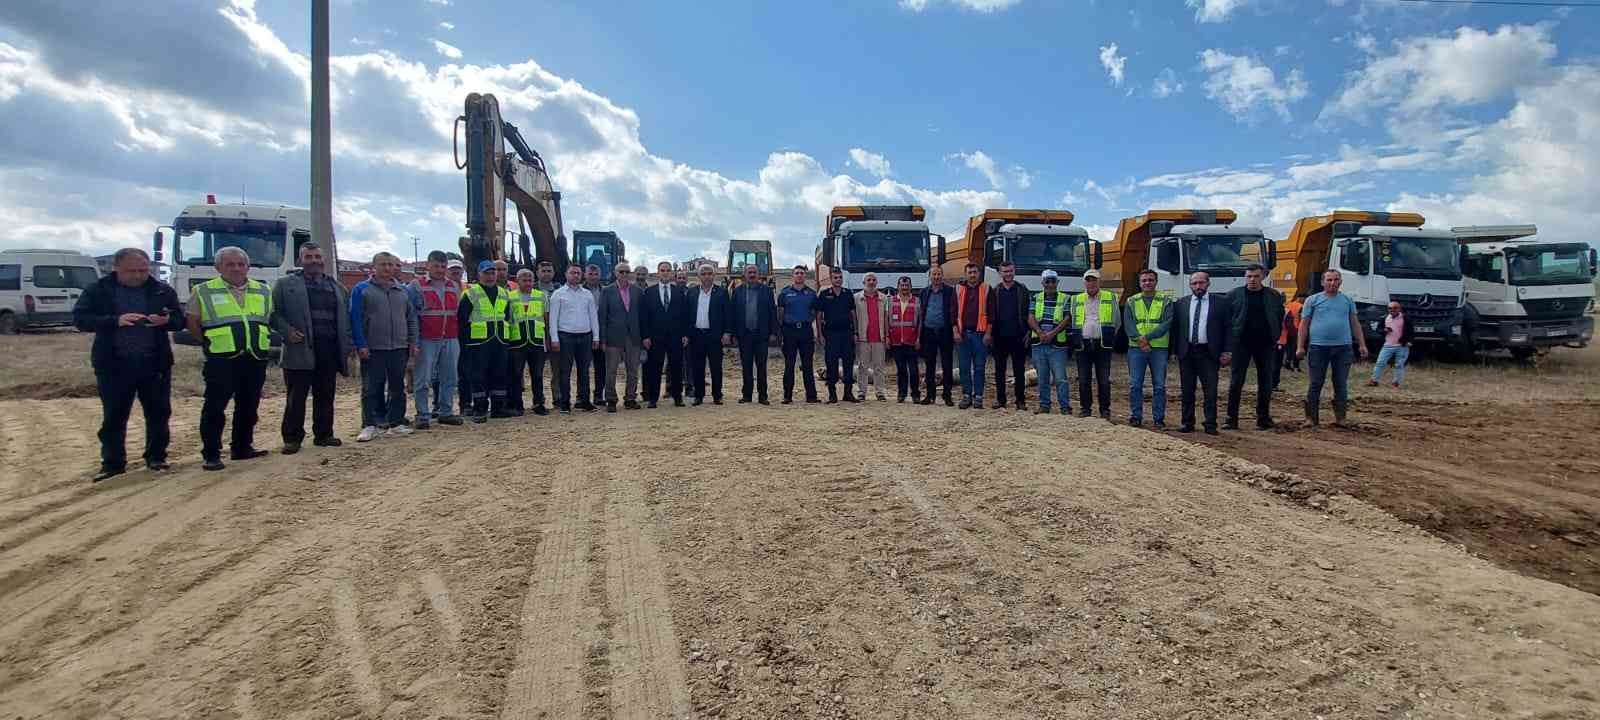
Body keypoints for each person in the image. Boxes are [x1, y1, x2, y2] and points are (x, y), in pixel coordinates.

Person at [73, 247, 184, 480]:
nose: (138, 275)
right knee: (114, 415)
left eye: (143, 270)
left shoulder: (162, 290)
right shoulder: (98, 290)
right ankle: (112, 463)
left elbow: (179, 320)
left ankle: (156, 457)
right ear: (116, 268)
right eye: (131, 271)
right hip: (114, 364)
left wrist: (165, 321)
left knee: (159, 413)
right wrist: (116, 321)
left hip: (155, 364)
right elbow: (80, 320)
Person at [186, 247, 272, 470]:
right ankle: (211, 454)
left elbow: (268, 319)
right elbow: (193, 321)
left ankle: (242, 448)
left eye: (240, 264)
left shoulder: (263, 290)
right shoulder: (203, 291)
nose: (236, 268)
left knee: (248, 406)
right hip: (221, 359)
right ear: (218, 268)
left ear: (247, 267)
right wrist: (210, 342)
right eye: (230, 264)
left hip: (254, 357)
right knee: (215, 407)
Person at [271, 243, 354, 454]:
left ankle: (324, 435)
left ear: (323, 260)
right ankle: (292, 439)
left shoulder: (337, 288)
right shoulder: (285, 285)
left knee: (325, 395)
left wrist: (347, 345)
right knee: (296, 397)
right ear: (300, 260)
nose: (314, 261)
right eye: (309, 257)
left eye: (317, 256)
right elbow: (273, 314)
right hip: (299, 349)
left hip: (329, 349)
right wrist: (287, 331)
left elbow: (345, 320)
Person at [351, 252, 419, 441]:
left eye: (391, 264)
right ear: (374, 267)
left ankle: (395, 423)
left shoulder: (402, 291)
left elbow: (411, 318)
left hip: (399, 347)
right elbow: (355, 319)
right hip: (373, 348)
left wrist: (413, 342)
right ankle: (369, 425)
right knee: (371, 388)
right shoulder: (361, 289)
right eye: (383, 264)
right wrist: (360, 344)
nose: (388, 268)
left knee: (397, 387)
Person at [1298, 269, 1369, 427]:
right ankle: (1311, 418)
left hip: (1343, 348)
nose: (1332, 283)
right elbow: (1304, 324)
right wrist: (1300, 347)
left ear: (1340, 282)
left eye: (1336, 280)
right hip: (1318, 348)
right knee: (1316, 383)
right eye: (1329, 280)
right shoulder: (1312, 300)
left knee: (1340, 383)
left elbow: (1355, 323)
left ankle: (1341, 418)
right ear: (1322, 282)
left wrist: (1362, 344)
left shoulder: (1347, 300)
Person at [1224, 263, 1284, 430]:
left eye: (1256, 276)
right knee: (1236, 382)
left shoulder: (1273, 295)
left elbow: (1279, 316)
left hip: (1265, 345)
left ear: (1263, 276)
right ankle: (1231, 418)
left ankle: (1263, 418)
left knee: (1266, 382)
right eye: (1249, 276)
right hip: (1241, 344)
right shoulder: (1234, 295)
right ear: (1245, 277)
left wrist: (1275, 336)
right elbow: (1227, 319)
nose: (1252, 279)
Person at [408, 251, 463, 430]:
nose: (440, 269)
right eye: (436, 266)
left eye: (443, 266)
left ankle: (446, 412)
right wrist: (414, 341)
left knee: (450, 377)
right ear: (428, 265)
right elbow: (411, 315)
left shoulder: (453, 286)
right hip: (427, 339)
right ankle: (422, 415)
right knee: (423, 379)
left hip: (450, 337)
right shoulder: (416, 286)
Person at [1171, 271, 1231, 435]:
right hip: (1187, 352)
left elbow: (1228, 328)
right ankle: (1187, 422)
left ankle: (1210, 424)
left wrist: (1227, 351)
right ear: (1190, 285)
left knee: (1210, 391)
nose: (1198, 286)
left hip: (1209, 353)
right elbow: (1176, 329)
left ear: (1208, 283)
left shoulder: (1221, 302)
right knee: (1187, 390)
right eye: (1194, 283)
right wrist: (1174, 350)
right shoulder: (1181, 303)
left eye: (1201, 283)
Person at [459, 260, 513, 422]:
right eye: (486, 273)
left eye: (492, 273)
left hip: (500, 340)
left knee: (499, 374)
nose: (490, 276)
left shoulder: (504, 293)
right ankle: (480, 409)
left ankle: (498, 408)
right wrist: (465, 343)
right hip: (478, 341)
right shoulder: (470, 293)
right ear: (479, 275)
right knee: (478, 375)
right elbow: (462, 320)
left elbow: (507, 316)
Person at [1123, 269, 1173, 428]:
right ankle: (1136, 416)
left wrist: (1146, 339)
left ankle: (1158, 419)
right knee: (1135, 385)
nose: (1147, 283)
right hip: (1136, 348)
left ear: (1156, 282)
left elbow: (1167, 323)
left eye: (1150, 280)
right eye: (1144, 280)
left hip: (1159, 348)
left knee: (1159, 385)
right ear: (1139, 283)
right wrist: (1140, 341)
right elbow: (1128, 324)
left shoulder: (1166, 300)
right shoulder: (1131, 301)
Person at [549, 264, 601, 413]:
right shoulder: (558, 294)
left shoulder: (587, 294)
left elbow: (593, 316)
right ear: (566, 274)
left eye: (578, 273)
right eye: (573, 272)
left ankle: (584, 401)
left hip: (585, 336)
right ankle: (565, 402)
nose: (576, 275)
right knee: (564, 371)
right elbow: (553, 318)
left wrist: (596, 337)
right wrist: (554, 338)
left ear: (582, 275)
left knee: (584, 371)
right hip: (565, 337)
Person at [642, 260, 691, 408]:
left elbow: (685, 315)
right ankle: (653, 398)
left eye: (668, 270)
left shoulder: (679, 291)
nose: (665, 273)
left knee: (676, 367)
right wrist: (645, 336)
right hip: (655, 337)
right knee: (654, 368)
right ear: (658, 273)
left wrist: (685, 334)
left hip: (675, 336)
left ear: (671, 273)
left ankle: (677, 397)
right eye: (662, 270)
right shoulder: (649, 292)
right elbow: (645, 317)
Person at [1072, 269, 1119, 419]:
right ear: (1084, 282)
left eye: (1094, 280)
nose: (1091, 283)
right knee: (1083, 379)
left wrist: (1109, 336)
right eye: (1088, 280)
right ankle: (1085, 409)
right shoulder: (1076, 299)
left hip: (1102, 344)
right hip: (1083, 344)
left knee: (1104, 380)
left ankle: (1105, 410)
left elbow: (1117, 321)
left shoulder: (1110, 297)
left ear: (1099, 282)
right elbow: (1072, 320)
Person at [598, 262, 645, 412]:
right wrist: (603, 340)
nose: (624, 274)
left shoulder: (637, 291)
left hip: (634, 337)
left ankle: (630, 398)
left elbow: (643, 316)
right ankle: (611, 400)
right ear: (615, 273)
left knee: (633, 370)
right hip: (613, 337)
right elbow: (602, 317)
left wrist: (644, 336)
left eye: (627, 272)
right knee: (611, 370)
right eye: (621, 272)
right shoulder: (607, 291)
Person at [1026, 269, 1073, 415]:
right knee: (1042, 378)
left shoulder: (1066, 298)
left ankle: (1065, 407)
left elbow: (1067, 318)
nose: (1050, 284)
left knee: (1060, 378)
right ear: (1043, 283)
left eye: (1053, 281)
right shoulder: (1036, 297)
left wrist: (1052, 333)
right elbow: (1030, 317)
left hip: (1057, 346)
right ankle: (1044, 406)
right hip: (1039, 344)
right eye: (1047, 281)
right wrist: (1040, 332)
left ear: (1057, 282)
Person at [505, 268, 550, 416]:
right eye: (524, 280)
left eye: (530, 280)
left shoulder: (541, 296)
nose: (528, 283)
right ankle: (517, 405)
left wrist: (547, 339)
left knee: (537, 375)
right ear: (517, 281)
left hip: (536, 341)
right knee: (516, 375)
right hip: (517, 342)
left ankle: (539, 403)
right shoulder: (509, 296)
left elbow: (546, 319)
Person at [730, 264, 777, 405]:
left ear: (759, 274)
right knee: (746, 366)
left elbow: (772, 312)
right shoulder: (737, 291)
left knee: (761, 366)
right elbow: (733, 314)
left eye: (754, 272)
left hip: (761, 335)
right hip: (744, 335)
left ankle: (763, 396)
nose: (752, 275)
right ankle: (747, 395)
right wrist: (733, 334)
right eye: (749, 272)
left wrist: (773, 332)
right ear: (744, 275)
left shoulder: (767, 291)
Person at [987, 262, 1031, 411]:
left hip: (1019, 337)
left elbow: (1028, 312)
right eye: (1005, 271)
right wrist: (990, 334)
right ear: (1000, 273)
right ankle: (1001, 400)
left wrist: (1028, 331)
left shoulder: (1022, 290)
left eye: (1010, 271)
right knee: (999, 371)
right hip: (999, 337)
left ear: (1014, 271)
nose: (1008, 274)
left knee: (1019, 371)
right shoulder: (995, 291)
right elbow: (990, 314)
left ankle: (1020, 401)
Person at [687, 263, 731, 405]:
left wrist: (726, 332)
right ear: (698, 276)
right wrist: (686, 334)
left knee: (716, 367)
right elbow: (686, 315)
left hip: (715, 336)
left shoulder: (722, 292)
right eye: (704, 274)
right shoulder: (692, 292)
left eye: (709, 273)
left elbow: (727, 314)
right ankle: (698, 395)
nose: (707, 276)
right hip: (696, 335)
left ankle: (717, 395)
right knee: (697, 367)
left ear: (714, 275)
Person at [777, 265, 820, 404]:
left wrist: (809, 324)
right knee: (789, 365)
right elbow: (780, 314)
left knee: (808, 365)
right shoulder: (784, 293)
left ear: (805, 275)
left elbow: (815, 313)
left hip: (805, 331)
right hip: (790, 331)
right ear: (793, 275)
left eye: (802, 273)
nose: (799, 275)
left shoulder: (811, 294)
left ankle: (811, 396)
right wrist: (782, 332)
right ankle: (787, 396)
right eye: (797, 273)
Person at [816, 267, 857, 403]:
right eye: (835, 277)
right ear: (831, 279)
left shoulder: (848, 294)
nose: (838, 280)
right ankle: (832, 395)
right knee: (831, 364)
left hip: (846, 334)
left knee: (848, 363)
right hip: (831, 334)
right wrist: (820, 334)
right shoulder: (824, 294)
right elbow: (819, 315)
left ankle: (848, 393)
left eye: (840, 277)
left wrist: (855, 332)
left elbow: (853, 314)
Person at [917, 265, 957, 406]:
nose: (936, 277)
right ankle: (930, 395)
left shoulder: (950, 291)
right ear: (929, 276)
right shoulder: (924, 292)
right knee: (930, 365)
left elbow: (954, 311)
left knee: (947, 364)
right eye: (934, 274)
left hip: (945, 332)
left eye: (939, 274)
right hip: (928, 332)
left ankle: (947, 395)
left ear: (942, 276)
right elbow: (921, 312)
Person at [954, 263, 991, 409]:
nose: (972, 275)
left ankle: (979, 396)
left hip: (980, 335)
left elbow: (992, 314)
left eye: (975, 272)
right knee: (964, 368)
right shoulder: (958, 289)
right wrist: (955, 331)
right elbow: (952, 312)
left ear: (979, 274)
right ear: (965, 274)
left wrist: (988, 333)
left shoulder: (986, 289)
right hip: (963, 334)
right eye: (969, 272)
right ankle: (967, 395)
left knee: (979, 367)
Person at [854, 273, 890, 401]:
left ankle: (880, 392)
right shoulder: (856, 298)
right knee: (862, 367)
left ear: (877, 282)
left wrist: (887, 335)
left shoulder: (884, 298)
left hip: (879, 338)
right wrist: (855, 333)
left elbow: (886, 318)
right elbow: (853, 317)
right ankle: (861, 392)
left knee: (879, 367)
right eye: (868, 280)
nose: (871, 282)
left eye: (874, 280)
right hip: (863, 337)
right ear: (863, 282)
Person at [888, 276, 921, 403]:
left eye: (907, 285)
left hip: (911, 341)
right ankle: (901, 393)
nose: (904, 287)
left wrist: (918, 339)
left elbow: (920, 322)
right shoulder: (891, 301)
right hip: (896, 341)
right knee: (901, 370)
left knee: (914, 370)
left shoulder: (916, 301)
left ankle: (915, 394)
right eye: (902, 285)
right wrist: (887, 337)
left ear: (911, 287)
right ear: (898, 287)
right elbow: (887, 320)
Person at [1369, 301, 1414, 389]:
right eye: (1390, 308)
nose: (1392, 310)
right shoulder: (1384, 318)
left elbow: (1411, 331)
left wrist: (1410, 341)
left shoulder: (1406, 318)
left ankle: (1396, 383)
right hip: (1387, 345)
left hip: (1402, 345)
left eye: (1395, 308)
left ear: (1399, 309)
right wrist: (1384, 330)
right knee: (1380, 362)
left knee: (1399, 365)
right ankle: (1374, 381)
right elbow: (1378, 329)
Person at [583, 264, 607, 406]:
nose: (593, 277)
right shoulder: (579, 290)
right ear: (585, 275)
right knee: (583, 367)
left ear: (600, 275)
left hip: (601, 334)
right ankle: (582, 396)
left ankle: (598, 395)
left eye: (596, 274)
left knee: (601, 367)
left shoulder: (605, 291)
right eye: (590, 274)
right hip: (584, 332)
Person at [1276, 293, 1304, 390]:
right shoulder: (1290, 309)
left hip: (1273, 339)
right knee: (1291, 350)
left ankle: (1288, 363)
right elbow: (1290, 324)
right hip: (1287, 335)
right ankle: (1274, 384)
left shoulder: (1288, 305)